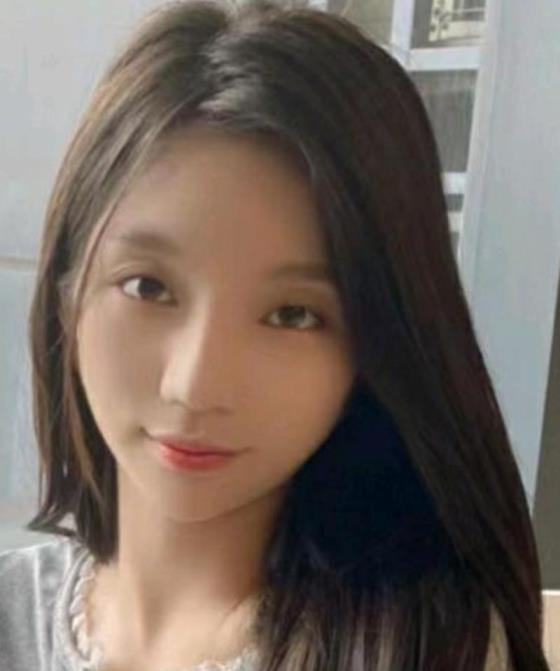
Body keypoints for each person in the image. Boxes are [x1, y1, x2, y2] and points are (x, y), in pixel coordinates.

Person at [0, 0, 552, 669]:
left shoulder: (420, 650)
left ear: (373, 347)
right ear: (67, 293)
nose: (195, 385)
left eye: (292, 315)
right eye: (148, 287)